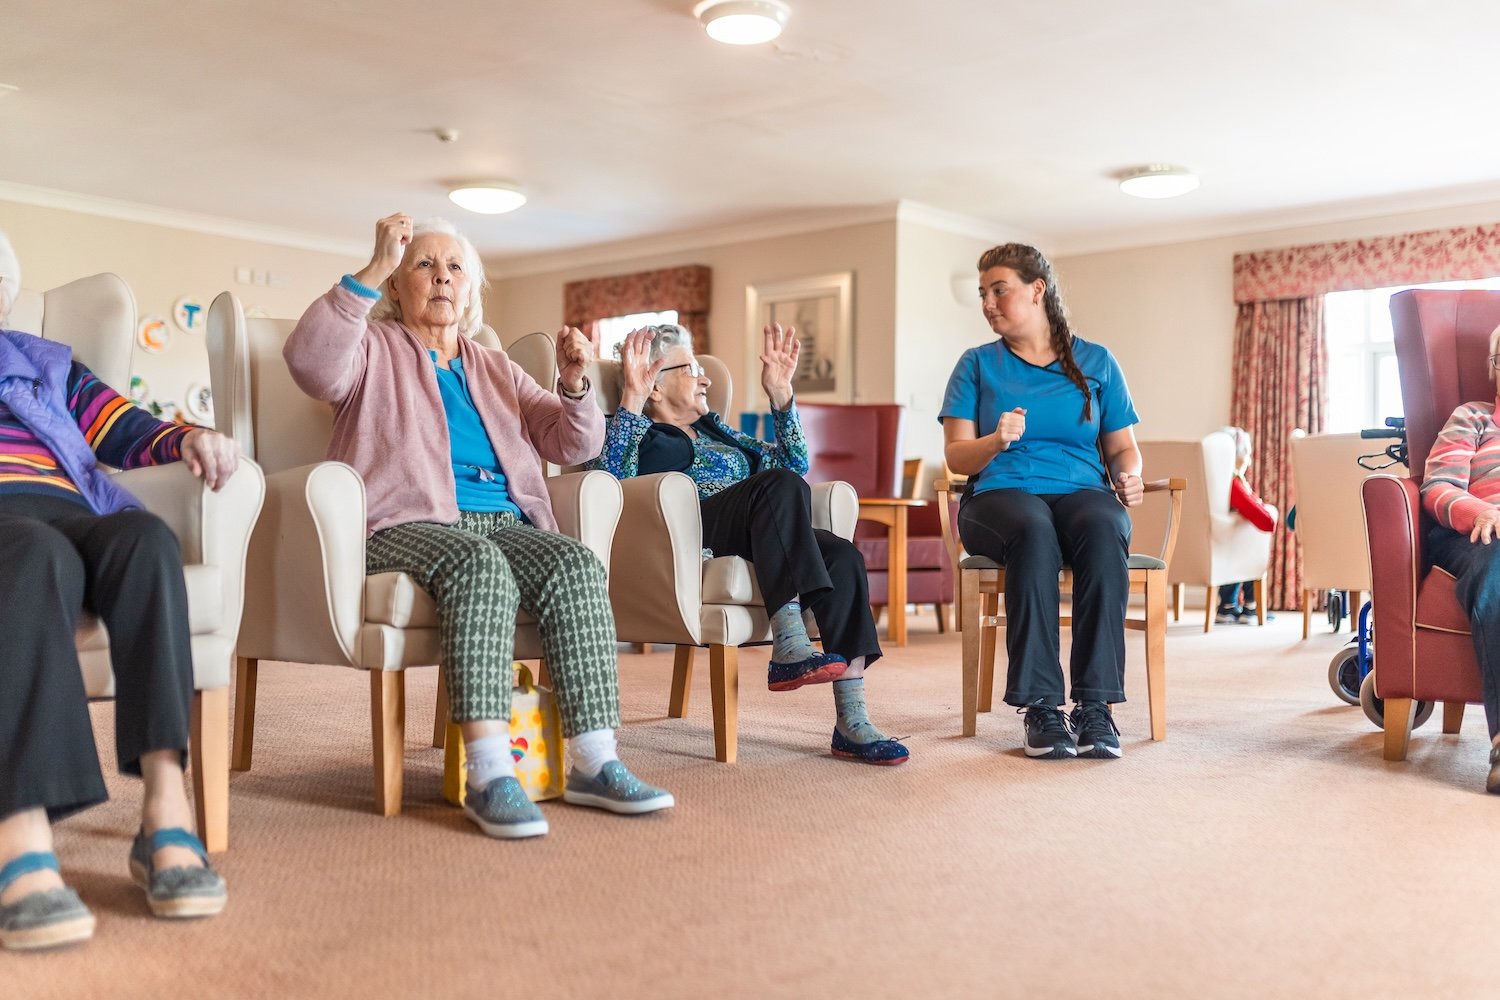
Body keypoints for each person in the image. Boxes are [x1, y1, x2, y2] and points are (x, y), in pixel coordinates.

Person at [283, 213, 674, 839]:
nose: (442, 277)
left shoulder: (493, 366)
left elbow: (573, 443)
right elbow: (310, 364)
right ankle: (489, 773)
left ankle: (596, 762)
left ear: (470, 291)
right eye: (424, 265)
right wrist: (372, 267)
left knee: (574, 563)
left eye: (455, 268)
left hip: (503, 517)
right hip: (404, 521)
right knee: (476, 563)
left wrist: (574, 385)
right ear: (397, 286)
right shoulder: (372, 348)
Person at [0, 230, 241, 951]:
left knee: (146, 541)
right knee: (36, 556)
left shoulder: (42, 363)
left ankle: (166, 808)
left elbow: (121, 427)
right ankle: (21, 834)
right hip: (8, 530)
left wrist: (187, 439)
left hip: (77, 509)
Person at [592, 322, 908, 765]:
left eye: (703, 368)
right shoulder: (638, 431)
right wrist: (631, 398)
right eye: (691, 368)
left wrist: (781, 394)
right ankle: (789, 641)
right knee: (775, 486)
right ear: (656, 386)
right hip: (689, 534)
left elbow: (794, 467)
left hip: (753, 528)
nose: (705, 378)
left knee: (843, 554)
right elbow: (610, 483)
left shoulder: (718, 431)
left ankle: (852, 720)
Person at [940, 243, 1143, 761]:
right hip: (998, 496)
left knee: (1103, 527)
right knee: (1034, 531)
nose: (988, 302)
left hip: (1081, 492)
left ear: (1038, 290)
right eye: (983, 293)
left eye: (999, 289)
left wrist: (1130, 477)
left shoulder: (1097, 361)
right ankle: (1041, 705)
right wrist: (996, 441)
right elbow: (959, 457)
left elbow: (1122, 448)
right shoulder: (977, 365)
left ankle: (1096, 708)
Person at [1420, 323, 1500, 794]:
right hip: (1477, 533)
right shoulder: (1473, 418)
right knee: (1497, 567)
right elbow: (1438, 487)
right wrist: (1483, 511)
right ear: (1494, 369)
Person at [1214, 426, 1278, 624]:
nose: (1249, 461)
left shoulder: (1212, 483)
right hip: (1231, 553)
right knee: (1251, 532)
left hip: (1219, 550)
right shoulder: (1232, 484)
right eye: (1247, 454)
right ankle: (1250, 604)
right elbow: (1266, 522)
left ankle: (1227, 604)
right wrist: (1267, 508)